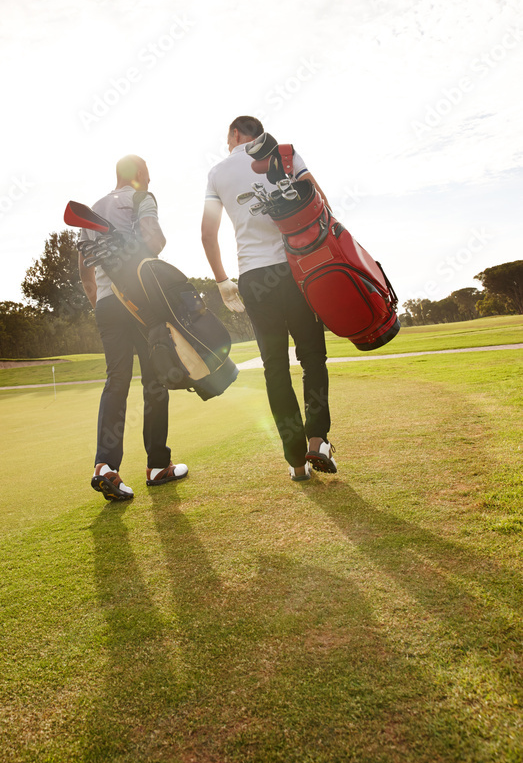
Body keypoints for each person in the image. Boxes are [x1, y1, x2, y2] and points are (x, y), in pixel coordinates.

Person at [201, 117, 336, 481]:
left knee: (275, 367)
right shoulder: (286, 155)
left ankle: (296, 463)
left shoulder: (217, 173)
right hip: (296, 268)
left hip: (254, 278)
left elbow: (207, 234)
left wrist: (222, 281)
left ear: (234, 134)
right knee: (312, 356)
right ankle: (317, 440)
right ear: (259, 135)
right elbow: (320, 202)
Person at [79, 155, 188, 501]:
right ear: (139, 176)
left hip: (108, 304)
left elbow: (85, 269)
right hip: (140, 301)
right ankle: (157, 466)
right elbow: (154, 240)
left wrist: (100, 303)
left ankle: (105, 467)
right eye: (149, 176)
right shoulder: (143, 199)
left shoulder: (93, 208)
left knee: (117, 380)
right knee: (155, 379)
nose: (151, 182)